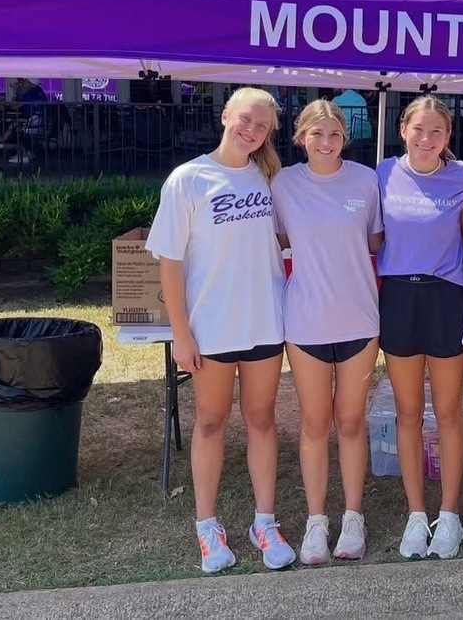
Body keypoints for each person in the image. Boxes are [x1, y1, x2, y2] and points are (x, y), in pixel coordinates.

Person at [145, 86, 295, 574]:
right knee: (210, 423)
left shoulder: (271, 177)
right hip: (210, 327)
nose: (251, 131)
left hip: (265, 322)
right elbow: (169, 263)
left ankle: (264, 522)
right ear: (225, 115)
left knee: (262, 420)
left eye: (262, 126)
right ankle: (207, 527)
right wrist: (181, 333)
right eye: (245, 119)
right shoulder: (188, 179)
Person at [271, 100, 383, 564]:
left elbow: (375, 240)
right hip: (306, 321)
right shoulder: (284, 184)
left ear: (345, 138)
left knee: (351, 422)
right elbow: (281, 241)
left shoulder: (365, 180)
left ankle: (352, 518)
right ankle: (317, 520)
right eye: (316, 134)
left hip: (359, 319)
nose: (325, 142)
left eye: (334, 134)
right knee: (315, 424)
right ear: (301, 138)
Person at [376, 95, 463, 560]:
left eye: (437, 132)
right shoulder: (381, 174)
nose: (427, 139)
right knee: (409, 413)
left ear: (448, 138)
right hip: (398, 297)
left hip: (445, 299)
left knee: (450, 412)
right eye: (419, 129)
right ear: (403, 130)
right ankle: (417, 514)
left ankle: (449, 514)